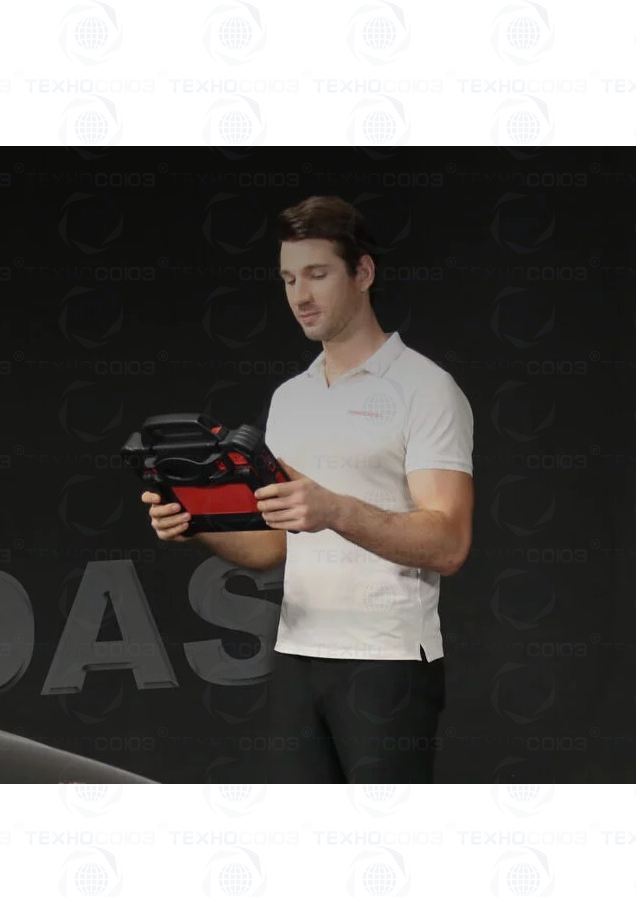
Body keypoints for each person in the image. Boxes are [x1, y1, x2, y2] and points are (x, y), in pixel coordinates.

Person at [141, 195, 474, 783]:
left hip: (387, 660)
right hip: (298, 655)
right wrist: (193, 522)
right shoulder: (289, 397)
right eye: (289, 279)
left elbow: (448, 544)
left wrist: (334, 510)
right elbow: (271, 546)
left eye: (317, 274)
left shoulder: (425, 388)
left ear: (363, 273)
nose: (300, 295)